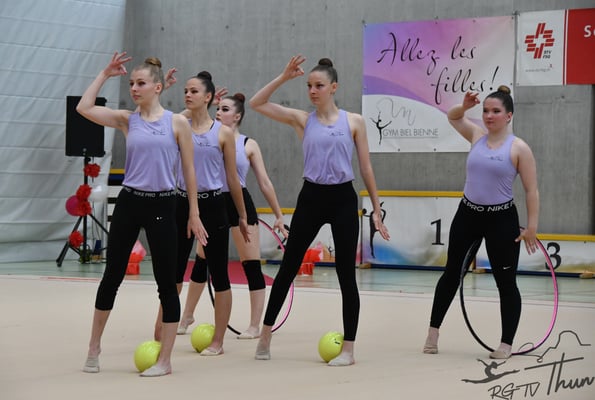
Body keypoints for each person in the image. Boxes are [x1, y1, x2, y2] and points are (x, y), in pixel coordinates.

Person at [249, 55, 390, 366]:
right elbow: (257, 103)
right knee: (288, 267)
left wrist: (376, 208)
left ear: (333, 87)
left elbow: (366, 167)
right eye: (309, 86)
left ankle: (349, 349)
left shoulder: (354, 122)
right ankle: (265, 336)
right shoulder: (302, 119)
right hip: (311, 197)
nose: (313, 91)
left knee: (345, 274)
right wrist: (283, 77)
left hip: (343, 199)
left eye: (319, 86)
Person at [77, 52, 206, 377]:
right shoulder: (127, 120)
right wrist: (105, 73)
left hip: (163, 205)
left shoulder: (177, 123)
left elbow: (189, 170)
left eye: (141, 83)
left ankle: (165, 360)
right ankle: (94, 347)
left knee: (167, 283)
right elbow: (84, 108)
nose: (134, 88)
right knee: (112, 277)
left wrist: (193, 213)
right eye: (132, 83)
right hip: (130, 203)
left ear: (157, 87)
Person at [423, 86, 539, 359]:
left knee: (506, 282)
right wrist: (464, 106)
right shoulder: (476, 136)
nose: (489, 115)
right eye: (486, 111)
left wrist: (532, 227)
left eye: (496, 111)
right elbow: (452, 117)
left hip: (501, 219)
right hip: (468, 215)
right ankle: (432, 332)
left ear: (509, 115)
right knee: (452, 274)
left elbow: (532, 190)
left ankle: (506, 343)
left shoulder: (519, 148)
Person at [174, 71, 250, 356]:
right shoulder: (178, 126)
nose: (188, 95)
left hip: (214, 204)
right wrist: (191, 110)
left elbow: (232, 179)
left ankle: (218, 341)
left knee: (219, 274)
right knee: (174, 272)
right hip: (182, 203)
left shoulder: (223, 133)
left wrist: (242, 215)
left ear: (208, 97)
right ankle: (162, 332)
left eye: (194, 91)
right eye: (186, 90)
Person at [218, 92, 288, 339]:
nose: (218, 113)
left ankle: (254, 325)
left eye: (224, 109)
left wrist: (278, 215)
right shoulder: (209, 137)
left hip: (240, 203)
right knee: (203, 262)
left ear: (237, 116)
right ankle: (186, 316)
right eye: (217, 109)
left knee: (251, 264)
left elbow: (265, 182)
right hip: (214, 202)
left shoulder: (248, 144)